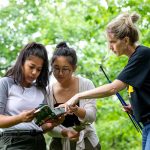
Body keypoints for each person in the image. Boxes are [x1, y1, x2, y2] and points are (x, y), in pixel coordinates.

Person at [65, 12, 150, 150]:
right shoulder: (135, 59)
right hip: (146, 126)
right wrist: (135, 107)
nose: (110, 47)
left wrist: (78, 95)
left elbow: (113, 88)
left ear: (126, 40)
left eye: (113, 42)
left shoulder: (142, 55)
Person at [0, 42, 55, 150]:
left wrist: (52, 124)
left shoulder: (41, 90)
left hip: (39, 142)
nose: (34, 72)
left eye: (39, 69)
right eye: (31, 67)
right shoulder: (5, 83)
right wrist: (20, 118)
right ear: (21, 63)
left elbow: (40, 126)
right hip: (13, 142)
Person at [46, 42, 101, 150]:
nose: (60, 73)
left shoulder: (86, 84)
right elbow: (48, 125)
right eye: (56, 68)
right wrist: (66, 132)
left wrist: (76, 109)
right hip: (58, 144)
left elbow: (91, 116)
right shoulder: (48, 91)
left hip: (87, 142)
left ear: (74, 68)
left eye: (65, 69)